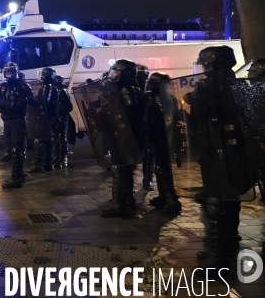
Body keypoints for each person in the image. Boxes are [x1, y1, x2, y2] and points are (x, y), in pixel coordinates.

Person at [185, 46, 249, 267]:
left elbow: (200, 117)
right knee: (231, 200)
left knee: (216, 202)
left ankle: (217, 256)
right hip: (236, 153)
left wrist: (187, 105)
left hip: (217, 151)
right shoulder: (240, 85)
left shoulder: (209, 88)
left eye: (207, 65)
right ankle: (228, 245)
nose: (204, 69)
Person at [99, 59, 145, 217]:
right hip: (126, 134)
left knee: (120, 168)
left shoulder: (128, 90)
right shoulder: (125, 88)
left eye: (118, 72)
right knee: (125, 169)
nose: (115, 74)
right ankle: (128, 200)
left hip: (128, 135)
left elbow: (129, 113)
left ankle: (118, 204)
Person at [0, 62, 38, 188]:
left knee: (17, 148)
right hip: (7, 120)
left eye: (11, 72)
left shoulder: (23, 87)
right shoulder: (3, 87)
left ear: (16, 73)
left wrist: (27, 98)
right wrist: (8, 104)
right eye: (7, 72)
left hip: (18, 120)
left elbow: (35, 103)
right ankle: (19, 174)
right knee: (11, 148)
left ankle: (16, 178)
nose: (9, 75)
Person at [143, 72, 181, 214]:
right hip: (165, 138)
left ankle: (171, 200)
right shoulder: (169, 98)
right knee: (161, 168)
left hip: (158, 138)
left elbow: (149, 121)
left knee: (162, 169)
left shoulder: (153, 100)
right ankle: (164, 196)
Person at [27, 67, 60, 173]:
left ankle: (39, 165)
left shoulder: (48, 87)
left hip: (46, 116)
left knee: (40, 139)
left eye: (43, 75)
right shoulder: (52, 86)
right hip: (51, 116)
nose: (42, 77)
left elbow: (44, 102)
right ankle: (48, 164)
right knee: (48, 139)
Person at [52, 75, 74, 168]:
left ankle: (61, 158)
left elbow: (68, 106)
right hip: (57, 118)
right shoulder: (56, 91)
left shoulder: (62, 91)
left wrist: (61, 115)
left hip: (62, 118)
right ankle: (57, 157)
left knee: (61, 138)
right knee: (56, 138)